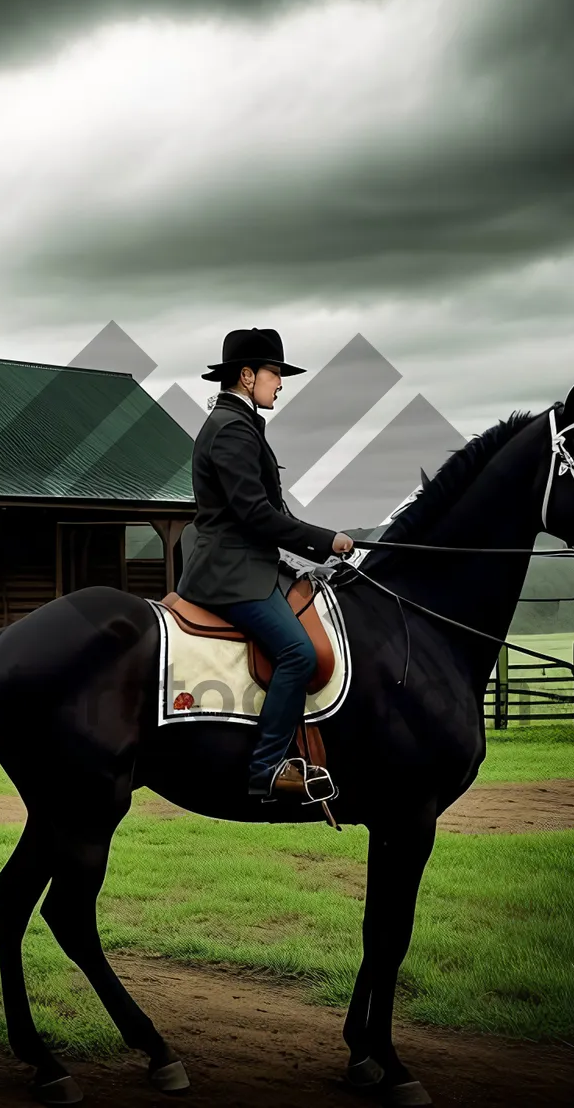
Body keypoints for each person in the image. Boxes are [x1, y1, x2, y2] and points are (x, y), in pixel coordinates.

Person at [175, 327, 355, 801]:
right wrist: (324, 540)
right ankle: (267, 769)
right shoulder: (232, 429)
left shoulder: (239, 423)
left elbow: (269, 512)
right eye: (276, 373)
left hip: (251, 563)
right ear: (248, 375)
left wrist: (317, 550)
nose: (280, 383)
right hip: (232, 572)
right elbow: (253, 514)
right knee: (299, 653)